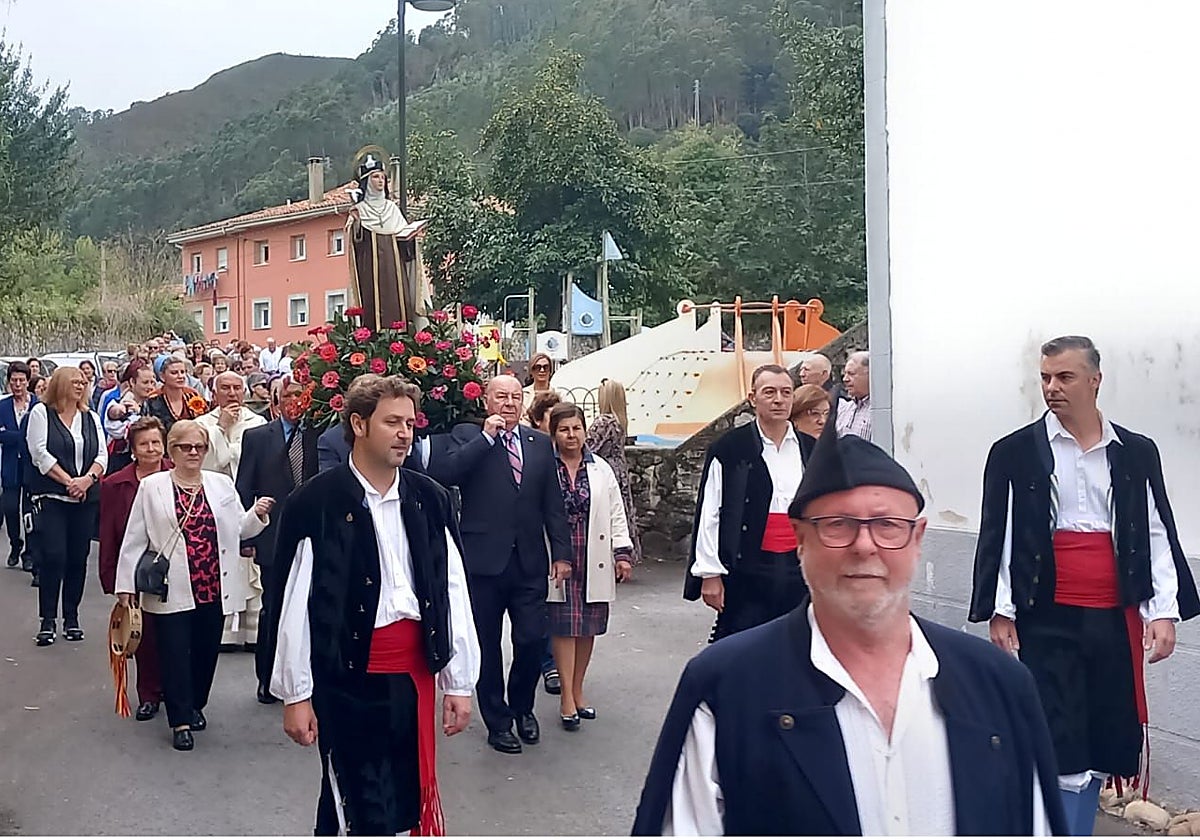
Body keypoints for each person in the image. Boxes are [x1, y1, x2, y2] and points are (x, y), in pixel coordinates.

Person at [632, 416, 1069, 835]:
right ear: (800, 541)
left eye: (886, 525)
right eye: (837, 525)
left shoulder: (999, 685)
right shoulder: (725, 687)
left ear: (917, 539)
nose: (865, 546)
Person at [969, 335, 1200, 835]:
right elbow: (1003, 533)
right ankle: (1058, 828)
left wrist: (1162, 610)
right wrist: (1002, 609)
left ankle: (1079, 828)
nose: (1052, 387)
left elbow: (1155, 531)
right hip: (1045, 614)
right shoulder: (1014, 452)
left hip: (1113, 615)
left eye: (1065, 377)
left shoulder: (1135, 452)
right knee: (1059, 734)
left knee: (1105, 733)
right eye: (1046, 378)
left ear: (1095, 380)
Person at [270, 374, 480, 836]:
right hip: (348, 679)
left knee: (407, 802)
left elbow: (451, 590)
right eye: (392, 422)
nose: (405, 432)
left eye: (410, 422)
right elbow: (295, 607)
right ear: (358, 424)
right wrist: (296, 694)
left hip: (416, 674)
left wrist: (459, 681)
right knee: (362, 808)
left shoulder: (430, 499)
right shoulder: (316, 503)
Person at [428, 374, 572, 754]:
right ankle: (498, 721)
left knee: (529, 639)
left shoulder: (540, 444)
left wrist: (561, 552)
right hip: (483, 561)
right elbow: (447, 473)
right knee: (486, 645)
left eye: (515, 396)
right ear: (487, 402)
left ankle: (523, 707)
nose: (509, 403)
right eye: (501, 397)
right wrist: (487, 438)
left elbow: (552, 503)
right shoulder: (467, 435)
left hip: (527, 561)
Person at [114, 420, 273, 751]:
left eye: (199, 447)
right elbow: (134, 537)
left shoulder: (221, 485)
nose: (193, 453)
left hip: (214, 584)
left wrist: (257, 514)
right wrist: (125, 584)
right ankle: (180, 720)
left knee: (204, 653)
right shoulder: (153, 486)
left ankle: (195, 703)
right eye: (185, 447)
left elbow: (238, 529)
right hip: (171, 586)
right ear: (172, 450)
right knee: (173, 654)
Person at [685, 365, 813, 642]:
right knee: (743, 644)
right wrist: (710, 573)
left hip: (799, 565)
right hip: (748, 565)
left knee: (798, 644)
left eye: (785, 392)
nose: (779, 399)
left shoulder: (811, 448)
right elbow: (710, 513)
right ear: (753, 398)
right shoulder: (730, 448)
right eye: (770, 392)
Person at [546, 403, 633, 731]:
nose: (571, 435)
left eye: (576, 428)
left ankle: (579, 689)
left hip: (593, 551)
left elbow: (615, 511)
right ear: (554, 433)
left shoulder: (601, 469)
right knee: (564, 624)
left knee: (589, 625)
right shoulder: (546, 466)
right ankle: (566, 695)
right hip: (559, 552)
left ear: (585, 430)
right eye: (564, 429)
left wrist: (622, 553)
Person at [237, 375, 319, 703]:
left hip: (313, 534)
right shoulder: (257, 437)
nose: (295, 401)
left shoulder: (320, 434)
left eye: (301, 394)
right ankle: (268, 677)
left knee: (312, 606)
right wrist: (247, 532)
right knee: (274, 608)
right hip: (273, 534)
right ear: (276, 400)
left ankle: (307, 676)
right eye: (289, 395)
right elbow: (245, 486)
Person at [25, 367, 107, 646]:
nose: (80, 386)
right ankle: (47, 620)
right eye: (74, 382)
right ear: (60, 385)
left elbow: (101, 454)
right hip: (52, 498)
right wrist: (68, 480)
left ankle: (71, 617)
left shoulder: (91, 417)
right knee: (54, 555)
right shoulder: (41, 413)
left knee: (77, 557)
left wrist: (86, 480)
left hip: (84, 498)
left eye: (83, 383)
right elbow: (39, 452)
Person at [98, 416, 169, 722]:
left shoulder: (178, 474)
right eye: (144, 444)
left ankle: (178, 692)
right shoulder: (116, 484)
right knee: (146, 637)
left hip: (175, 568)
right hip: (138, 570)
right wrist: (116, 581)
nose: (151, 449)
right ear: (133, 449)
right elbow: (109, 533)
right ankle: (149, 694)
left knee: (177, 636)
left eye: (156, 442)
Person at [196, 370, 268, 652]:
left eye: (237, 388)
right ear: (215, 392)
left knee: (252, 568)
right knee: (223, 565)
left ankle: (252, 632)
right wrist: (220, 430)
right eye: (225, 388)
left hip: (248, 500)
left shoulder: (258, 422)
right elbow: (206, 465)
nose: (232, 393)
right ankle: (224, 633)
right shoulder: (202, 423)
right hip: (216, 503)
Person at [345, 151, 430, 331]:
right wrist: (358, 223)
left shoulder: (392, 209)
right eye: (375, 177)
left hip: (395, 271)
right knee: (373, 308)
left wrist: (410, 238)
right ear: (367, 181)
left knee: (398, 303)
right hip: (370, 273)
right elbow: (355, 244)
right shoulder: (359, 210)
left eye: (383, 177)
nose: (380, 181)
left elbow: (405, 244)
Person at [586, 379, 641, 566]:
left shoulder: (603, 422)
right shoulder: (619, 421)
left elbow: (588, 447)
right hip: (619, 469)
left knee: (606, 514)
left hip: (604, 469)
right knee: (621, 512)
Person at [0, 362, 35, 568]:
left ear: (28, 382)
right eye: (14, 381)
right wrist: (22, 436)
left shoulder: (38, 405)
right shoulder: (3, 407)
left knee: (30, 511)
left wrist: (15, 436)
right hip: (11, 465)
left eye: (22, 380)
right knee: (10, 507)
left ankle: (29, 553)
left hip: (32, 466)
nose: (18, 385)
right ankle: (15, 544)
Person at [105, 361, 159, 475]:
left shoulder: (152, 403)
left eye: (152, 382)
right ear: (132, 382)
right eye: (145, 382)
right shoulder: (122, 404)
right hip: (123, 464)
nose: (150, 387)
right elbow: (115, 427)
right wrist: (124, 411)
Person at [146, 357, 207, 432]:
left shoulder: (193, 395)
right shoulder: (152, 400)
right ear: (162, 376)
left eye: (183, 372)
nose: (180, 376)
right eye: (174, 373)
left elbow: (204, 422)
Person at [836, 351, 871, 440]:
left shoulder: (879, 412)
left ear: (870, 374)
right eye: (844, 374)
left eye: (851, 374)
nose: (845, 379)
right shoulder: (844, 409)